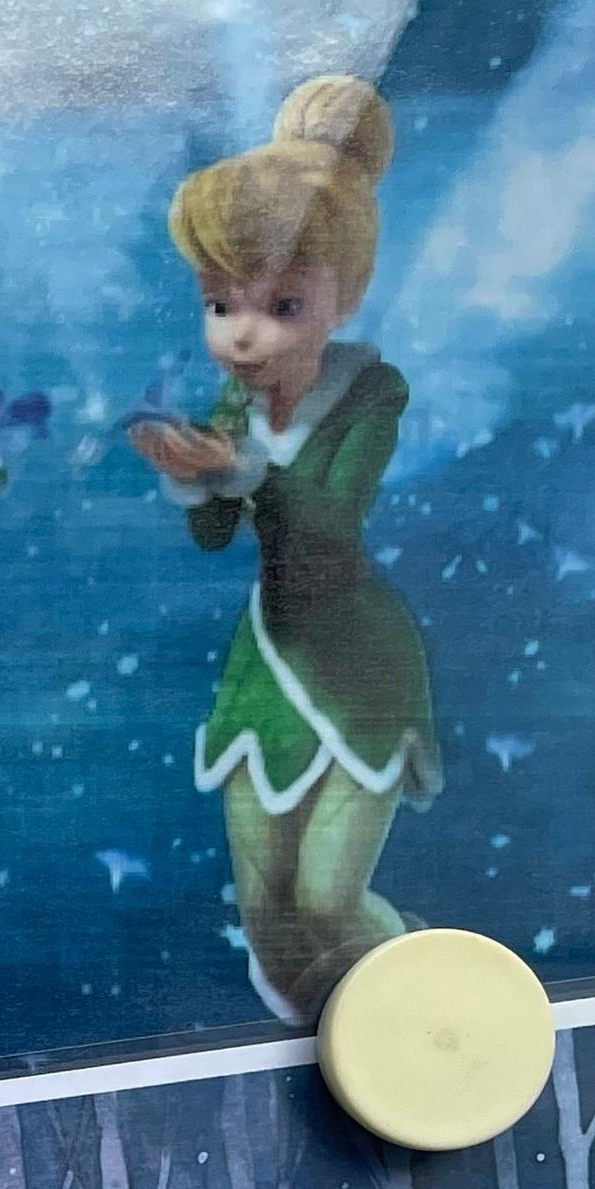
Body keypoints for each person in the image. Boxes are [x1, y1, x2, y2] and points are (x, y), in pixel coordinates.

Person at [125, 78, 437, 1024]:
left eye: (283, 304)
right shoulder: (234, 401)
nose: (243, 334)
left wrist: (244, 470)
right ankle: (342, 1038)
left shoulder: (372, 395)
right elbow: (216, 535)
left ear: (346, 299)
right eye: (220, 304)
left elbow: (332, 527)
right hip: (266, 662)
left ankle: (435, 1012)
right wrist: (199, 479)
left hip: (357, 660)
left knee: (329, 900)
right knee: (269, 917)